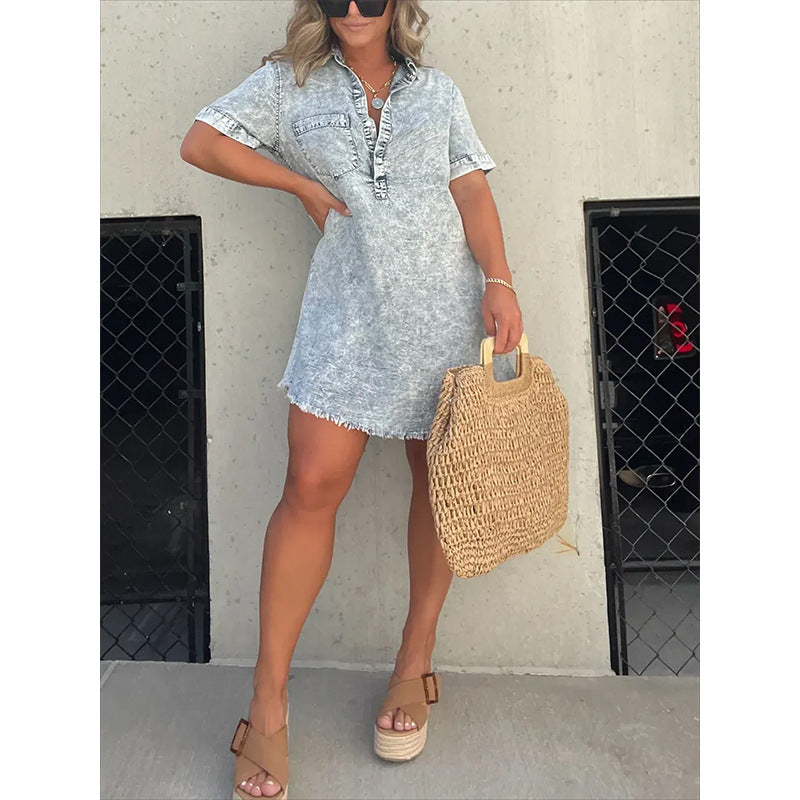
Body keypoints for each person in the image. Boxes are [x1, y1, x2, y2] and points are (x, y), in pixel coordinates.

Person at [180, 1, 524, 797]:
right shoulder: (285, 84)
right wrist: (298, 181)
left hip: (447, 314)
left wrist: (500, 281)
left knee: (441, 485)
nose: (356, 9)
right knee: (308, 488)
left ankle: (415, 660)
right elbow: (202, 143)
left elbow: (470, 190)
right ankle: (268, 703)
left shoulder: (436, 91)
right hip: (347, 314)